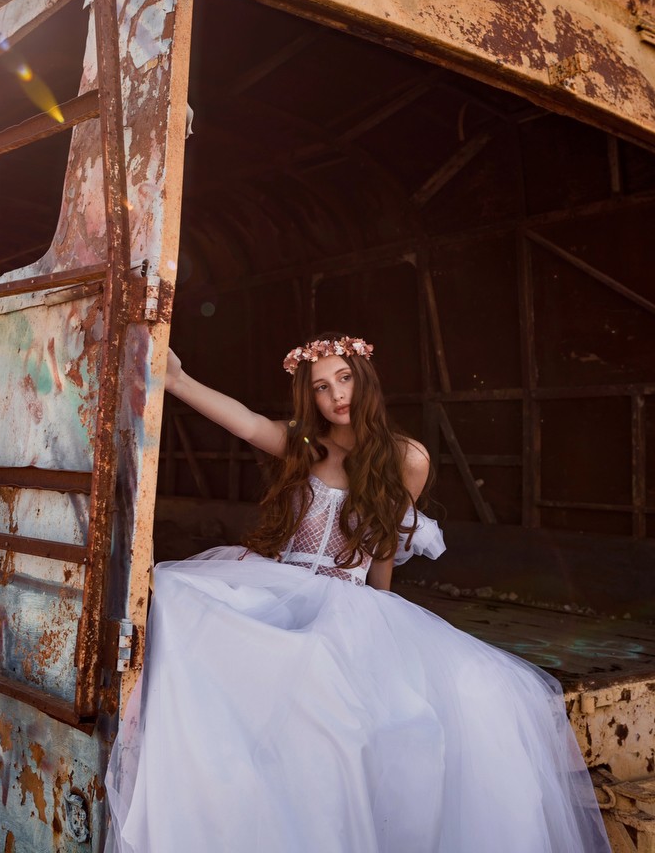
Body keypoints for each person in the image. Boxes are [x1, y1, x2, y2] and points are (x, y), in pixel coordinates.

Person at [104, 334, 611, 853]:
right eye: (321, 387)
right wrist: (178, 380)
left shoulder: (407, 457)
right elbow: (249, 423)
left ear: (364, 377)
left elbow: (384, 542)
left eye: (343, 379)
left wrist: (383, 610)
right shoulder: (306, 444)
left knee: (359, 712)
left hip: (346, 596)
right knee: (176, 591)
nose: (335, 396)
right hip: (279, 583)